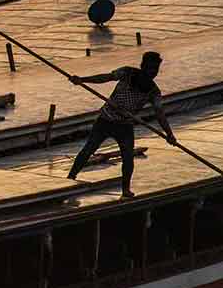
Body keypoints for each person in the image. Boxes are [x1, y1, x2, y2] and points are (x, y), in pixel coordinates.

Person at [66, 50, 175, 197]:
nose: (152, 72)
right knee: (88, 150)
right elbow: (106, 77)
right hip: (105, 120)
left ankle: (126, 189)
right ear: (142, 66)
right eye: (149, 68)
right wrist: (82, 80)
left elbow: (159, 114)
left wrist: (169, 135)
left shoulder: (153, 91)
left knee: (128, 157)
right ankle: (70, 178)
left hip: (125, 126)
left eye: (155, 70)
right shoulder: (127, 73)